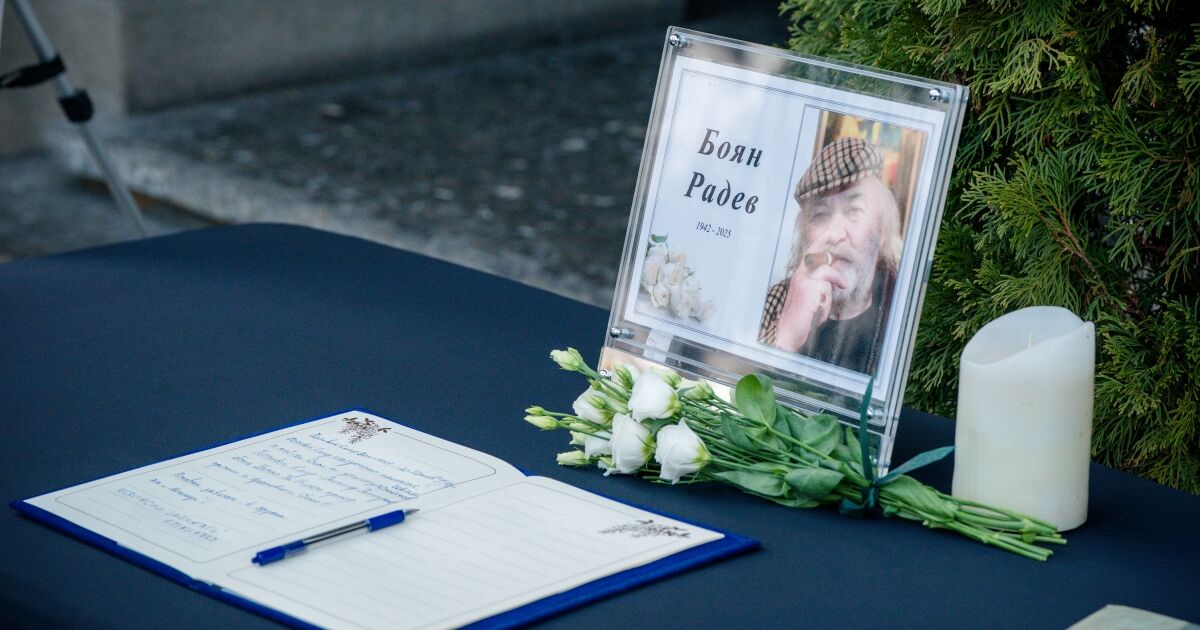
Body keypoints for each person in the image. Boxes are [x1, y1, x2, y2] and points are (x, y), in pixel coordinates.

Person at [758, 136, 903, 374]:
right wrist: (785, 338)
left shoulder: (900, 310)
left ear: (882, 230)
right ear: (804, 235)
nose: (834, 235)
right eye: (820, 215)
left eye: (854, 210)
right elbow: (741, 386)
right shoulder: (776, 302)